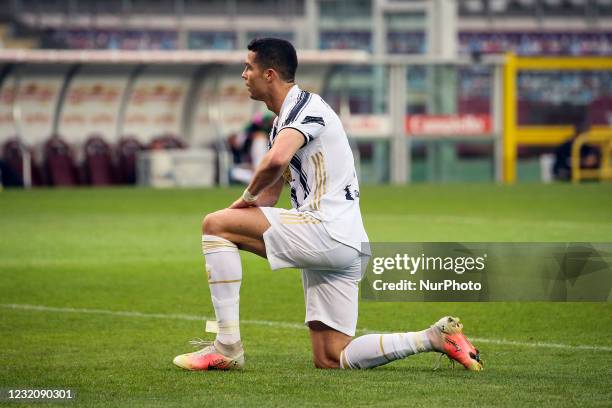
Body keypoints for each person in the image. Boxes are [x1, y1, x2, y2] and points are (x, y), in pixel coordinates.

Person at [172, 38, 482, 371]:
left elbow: (275, 161)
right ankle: (432, 338)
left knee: (214, 226)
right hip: (346, 242)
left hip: (325, 230)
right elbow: (270, 194)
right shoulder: (283, 122)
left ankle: (227, 345)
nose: (243, 74)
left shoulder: (306, 106)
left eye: (249, 67)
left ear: (270, 74)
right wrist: (245, 208)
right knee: (332, 357)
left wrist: (241, 202)